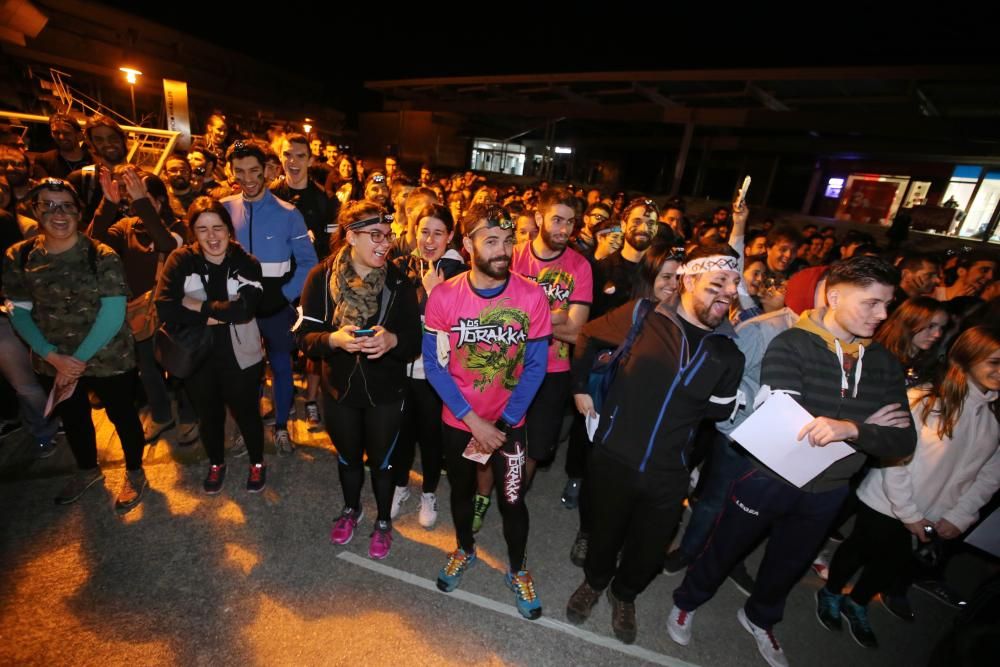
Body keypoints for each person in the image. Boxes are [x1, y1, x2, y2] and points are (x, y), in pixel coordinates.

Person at [669, 255, 917, 667]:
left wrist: (848, 429)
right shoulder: (791, 343)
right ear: (834, 295)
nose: (883, 314)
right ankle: (688, 600)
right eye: (872, 303)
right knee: (725, 545)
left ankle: (760, 617)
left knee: (790, 562)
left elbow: (902, 437)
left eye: (887, 304)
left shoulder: (885, 364)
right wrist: (864, 422)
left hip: (829, 490)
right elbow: (792, 424)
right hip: (768, 476)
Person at [564, 242, 744, 645]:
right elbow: (588, 335)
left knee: (647, 553)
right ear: (688, 280)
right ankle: (595, 583)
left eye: (734, 284)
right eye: (718, 282)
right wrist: (580, 389)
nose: (728, 292)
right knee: (603, 533)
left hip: (669, 472)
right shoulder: (642, 315)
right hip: (613, 456)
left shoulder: (729, 353)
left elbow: (717, 414)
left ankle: (623, 595)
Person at [818, 325, 1000, 648]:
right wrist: (909, 513)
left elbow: (990, 477)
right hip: (887, 502)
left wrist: (960, 516)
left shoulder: (993, 420)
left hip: (933, 515)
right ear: (970, 357)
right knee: (860, 548)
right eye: (994, 362)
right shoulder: (923, 400)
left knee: (892, 562)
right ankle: (831, 591)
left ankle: (857, 601)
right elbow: (895, 459)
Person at [423, 203, 551, 619]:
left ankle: (518, 569)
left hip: (509, 424)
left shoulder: (532, 296)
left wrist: (503, 422)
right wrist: (474, 421)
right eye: (491, 241)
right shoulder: (444, 296)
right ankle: (464, 549)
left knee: (513, 501)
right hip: (459, 422)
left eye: (508, 241)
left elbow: (536, 366)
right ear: (468, 245)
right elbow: (433, 366)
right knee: (460, 493)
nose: (503, 250)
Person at [3, 178, 147, 512]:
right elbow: (18, 310)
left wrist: (74, 361)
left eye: (67, 205)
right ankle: (87, 470)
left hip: (108, 356)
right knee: (75, 418)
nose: (59, 213)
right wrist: (52, 357)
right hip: (51, 357)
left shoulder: (100, 255)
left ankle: (135, 471)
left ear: (79, 212)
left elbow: (113, 313)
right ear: (35, 211)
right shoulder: (20, 255)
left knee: (123, 416)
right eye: (49, 206)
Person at [294, 200, 420, 559]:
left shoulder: (398, 281)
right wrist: (334, 340)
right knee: (348, 459)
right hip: (339, 389)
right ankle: (351, 509)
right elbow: (304, 337)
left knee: (382, 463)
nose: (385, 243)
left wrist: (392, 340)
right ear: (350, 236)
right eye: (375, 235)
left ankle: (383, 521)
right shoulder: (321, 276)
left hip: (386, 391)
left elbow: (414, 340)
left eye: (388, 235)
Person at [155, 197, 268, 492]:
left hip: (241, 355)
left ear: (229, 229)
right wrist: (221, 313)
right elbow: (166, 307)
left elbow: (245, 311)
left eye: (218, 227)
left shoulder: (246, 262)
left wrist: (197, 306)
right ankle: (216, 462)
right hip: (197, 355)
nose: (212, 236)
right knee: (209, 415)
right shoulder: (181, 260)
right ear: (193, 232)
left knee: (247, 413)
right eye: (202, 229)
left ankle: (257, 463)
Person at [87, 165, 198, 445]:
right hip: (139, 312)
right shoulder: (127, 227)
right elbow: (92, 243)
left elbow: (166, 245)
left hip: (174, 309)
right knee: (147, 368)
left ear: (159, 201)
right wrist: (108, 204)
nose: (134, 201)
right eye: (132, 196)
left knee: (180, 365)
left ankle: (189, 416)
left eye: (143, 196)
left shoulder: (178, 227)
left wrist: (141, 203)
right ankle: (161, 415)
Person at [222, 140, 318, 453]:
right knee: (242, 372)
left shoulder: (289, 214)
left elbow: (308, 262)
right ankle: (243, 426)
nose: (247, 178)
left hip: (276, 308)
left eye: (254, 170)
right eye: (240, 171)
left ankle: (280, 427)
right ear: (231, 171)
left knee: (280, 368)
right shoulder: (224, 208)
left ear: (267, 170)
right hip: (238, 308)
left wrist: (285, 295)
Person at [389, 203, 467, 527]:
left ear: (450, 235)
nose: (430, 240)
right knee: (401, 434)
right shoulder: (401, 265)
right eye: (424, 232)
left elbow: (463, 327)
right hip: (401, 368)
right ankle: (400, 485)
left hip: (436, 374)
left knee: (432, 438)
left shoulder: (461, 274)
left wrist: (437, 294)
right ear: (413, 231)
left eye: (438, 233)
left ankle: (429, 492)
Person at [874, 297, 949, 386]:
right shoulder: (877, 358)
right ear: (909, 321)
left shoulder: (932, 365)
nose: (938, 334)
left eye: (942, 328)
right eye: (931, 326)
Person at [31, 113, 92, 179]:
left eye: (67, 133)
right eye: (56, 133)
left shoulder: (93, 160)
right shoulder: (44, 160)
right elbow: (42, 185)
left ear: (79, 135)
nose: (61, 137)